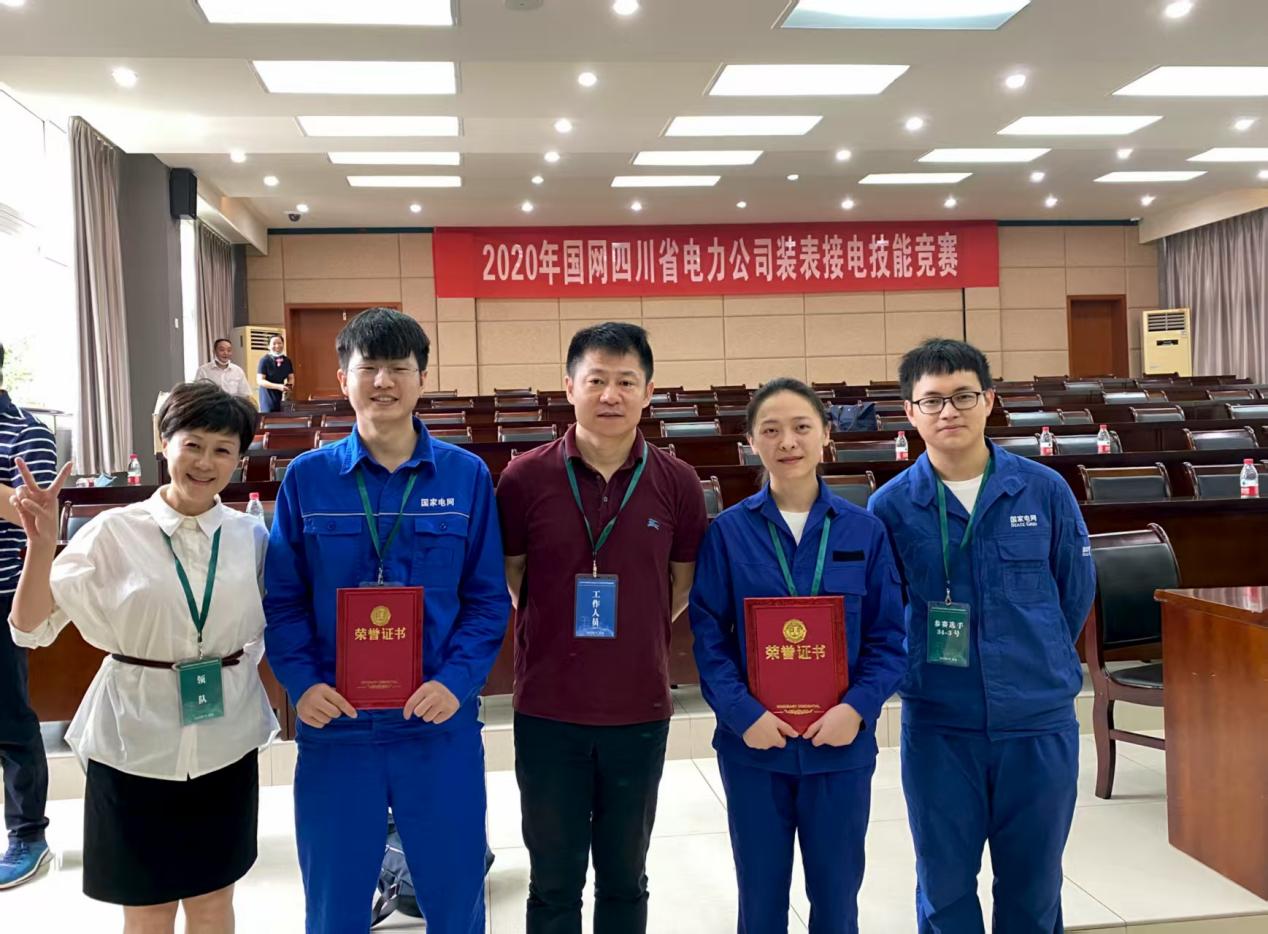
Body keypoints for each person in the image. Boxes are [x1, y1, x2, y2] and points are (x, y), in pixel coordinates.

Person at [263, 307, 510, 934]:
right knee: (334, 905)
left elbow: (486, 600)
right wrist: (302, 685)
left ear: (421, 378)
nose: (383, 382)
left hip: (437, 723)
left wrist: (455, 683)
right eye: (367, 368)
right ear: (342, 379)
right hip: (337, 724)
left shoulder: (465, 476)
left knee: (455, 902)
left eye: (398, 368)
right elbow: (284, 600)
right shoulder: (308, 479)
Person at [7, 380, 277, 931]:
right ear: (164, 442)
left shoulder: (250, 537)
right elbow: (30, 629)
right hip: (133, 743)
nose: (205, 462)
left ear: (239, 459)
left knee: (213, 904)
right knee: (148, 909)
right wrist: (39, 545)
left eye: (223, 449)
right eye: (192, 444)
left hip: (226, 742)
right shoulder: (113, 532)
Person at [867, 339, 1096, 933]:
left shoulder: (1044, 490)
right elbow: (884, 614)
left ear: (989, 400)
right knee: (944, 888)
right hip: (942, 724)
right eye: (932, 400)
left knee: (1034, 887)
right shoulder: (890, 508)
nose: (949, 411)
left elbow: (1073, 592)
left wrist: (1036, 657)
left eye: (964, 396)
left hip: (1037, 720)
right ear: (910, 412)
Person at [496, 322, 707, 934]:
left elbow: (682, 584)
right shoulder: (524, 478)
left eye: (626, 382)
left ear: (648, 392)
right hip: (548, 710)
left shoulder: (677, 481)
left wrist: (632, 628)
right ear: (570, 387)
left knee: (624, 878)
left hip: (638, 709)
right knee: (552, 884)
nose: (610, 395)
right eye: (596, 381)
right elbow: (514, 576)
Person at [689, 377, 906, 934]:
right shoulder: (728, 534)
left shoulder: (865, 531)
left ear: (826, 435)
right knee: (760, 898)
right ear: (751, 443)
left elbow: (889, 638)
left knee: (836, 898)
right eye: (771, 430)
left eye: (801, 427)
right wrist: (744, 716)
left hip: (839, 746)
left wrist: (856, 709)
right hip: (755, 747)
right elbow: (708, 639)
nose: (787, 441)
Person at [0, 343, 57, 890]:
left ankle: (28, 834)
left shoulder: (26, 432)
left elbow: (34, 518)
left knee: (9, 718)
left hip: (2, 595)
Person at [256, 333, 294, 413]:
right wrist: (278, 386)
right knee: (270, 415)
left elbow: (291, 377)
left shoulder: (287, 361)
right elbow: (260, 381)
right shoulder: (264, 360)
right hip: (268, 395)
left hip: (282, 395)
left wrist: (288, 388)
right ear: (268, 346)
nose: (277, 346)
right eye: (274, 343)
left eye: (279, 343)